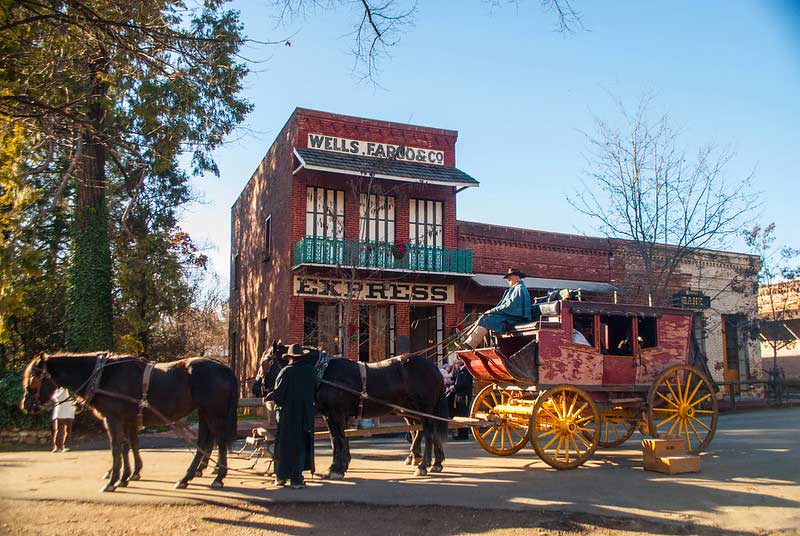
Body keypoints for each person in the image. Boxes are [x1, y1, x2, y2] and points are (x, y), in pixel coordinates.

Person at [272, 344, 317, 489]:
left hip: (288, 415)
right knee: (302, 445)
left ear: (290, 358)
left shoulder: (286, 372)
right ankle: (297, 478)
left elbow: (278, 396)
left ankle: (281, 476)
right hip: (306, 414)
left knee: (284, 446)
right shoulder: (312, 372)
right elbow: (315, 390)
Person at [461, 268, 532, 349]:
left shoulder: (519, 289)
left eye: (509, 278)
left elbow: (509, 306)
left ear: (516, 277)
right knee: (485, 317)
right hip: (512, 316)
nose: (507, 280)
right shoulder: (516, 288)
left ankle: (470, 344)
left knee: (487, 319)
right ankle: (467, 337)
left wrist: (492, 310)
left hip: (516, 318)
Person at [450, 361, 474, 439]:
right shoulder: (459, 371)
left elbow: (465, 383)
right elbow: (455, 380)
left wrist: (455, 387)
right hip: (458, 395)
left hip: (464, 395)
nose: (455, 365)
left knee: (463, 414)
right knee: (458, 414)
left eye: (456, 364)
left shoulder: (467, 371)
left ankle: (464, 434)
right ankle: (459, 433)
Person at [51, 387, 75, 453]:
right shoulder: (57, 390)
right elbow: (55, 398)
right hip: (59, 411)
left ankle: (65, 446)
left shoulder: (68, 389)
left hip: (68, 410)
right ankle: (57, 446)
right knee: (58, 430)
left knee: (67, 430)